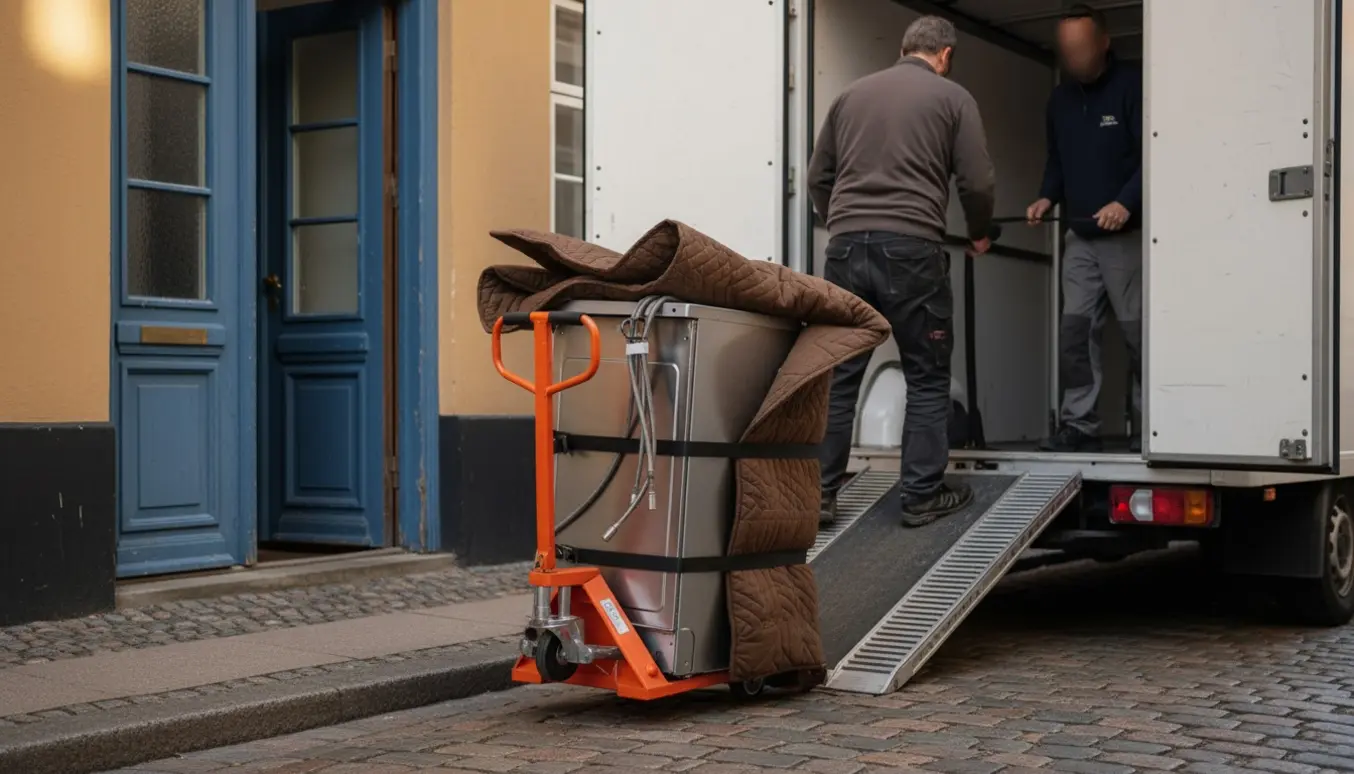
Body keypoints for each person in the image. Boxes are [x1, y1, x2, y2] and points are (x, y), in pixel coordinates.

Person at [809, 15, 995, 528]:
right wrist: (979, 231)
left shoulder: (850, 97)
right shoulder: (954, 98)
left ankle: (820, 495)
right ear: (945, 56)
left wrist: (842, 223)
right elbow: (977, 182)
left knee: (840, 376)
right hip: (912, 250)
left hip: (846, 250)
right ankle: (920, 496)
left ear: (903, 47)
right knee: (927, 376)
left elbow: (819, 176)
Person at [1026, 4, 1143, 453]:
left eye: (1081, 47)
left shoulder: (1132, 85)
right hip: (1080, 236)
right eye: (1067, 49)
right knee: (1075, 333)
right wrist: (1045, 197)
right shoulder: (1060, 100)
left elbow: (1155, 155)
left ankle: (1151, 423)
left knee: (1138, 334)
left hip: (1128, 237)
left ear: (1104, 43)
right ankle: (1080, 424)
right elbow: (1057, 161)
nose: (1073, 57)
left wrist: (1126, 202)